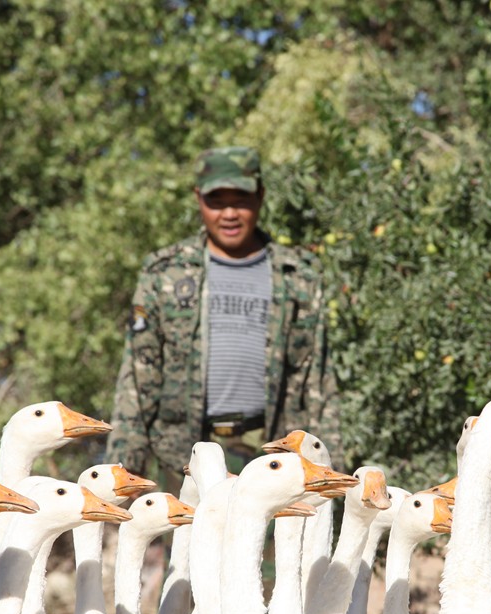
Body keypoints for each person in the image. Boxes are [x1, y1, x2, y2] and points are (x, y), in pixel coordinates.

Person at [106, 146, 340, 478]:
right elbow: (137, 378)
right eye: (217, 201)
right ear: (198, 197)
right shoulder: (165, 273)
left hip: (276, 461)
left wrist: (331, 475)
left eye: (240, 200)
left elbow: (319, 383)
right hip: (183, 460)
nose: (229, 214)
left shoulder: (299, 276)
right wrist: (123, 469)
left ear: (260, 196)